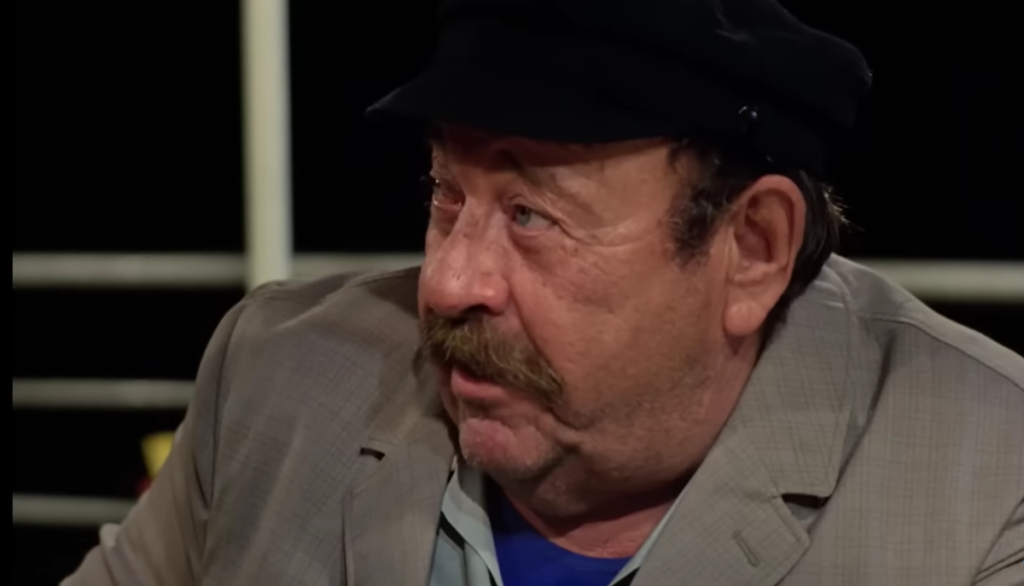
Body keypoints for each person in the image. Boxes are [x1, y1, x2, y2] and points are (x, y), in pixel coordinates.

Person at [65, 0, 1023, 584]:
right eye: (446, 196)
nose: (448, 283)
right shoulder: (277, 374)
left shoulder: (988, 488)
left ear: (752, 248)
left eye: (532, 216)